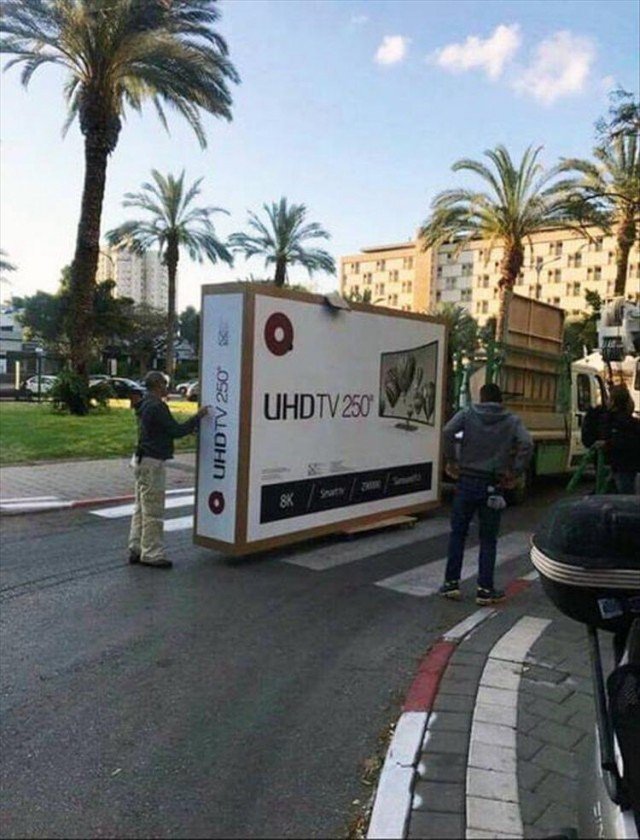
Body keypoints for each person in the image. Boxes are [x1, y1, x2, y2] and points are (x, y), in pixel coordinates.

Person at [440, 382, 533, 605]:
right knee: (488, 538)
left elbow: (448, 431)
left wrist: (452, 460)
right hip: (493, 484)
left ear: (481, 398)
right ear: (500, 400)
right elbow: (527, 443)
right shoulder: (511, 420)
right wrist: (515, 471)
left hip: (466, 481)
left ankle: (451, 584)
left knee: (458, 533)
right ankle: (484, 589)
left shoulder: (468, 413)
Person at [128, 371, 209, 569]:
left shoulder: (144, 404)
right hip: (153, 461)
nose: (167, 388)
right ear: (158, 385)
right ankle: (152, 553)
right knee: (153, 511)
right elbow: (175, 431)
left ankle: (136, 547)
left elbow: (160, 430)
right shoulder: (157, 406)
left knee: (140, 508)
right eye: (165, 384)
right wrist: (198, 417)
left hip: (141, 459)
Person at [583, 384, 640, 494]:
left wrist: (607, 443)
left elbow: (622, 440)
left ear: (613, 401)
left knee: (621, 493)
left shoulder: (611, 420)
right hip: (625, 465)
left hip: (619, 465)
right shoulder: (630, 422)